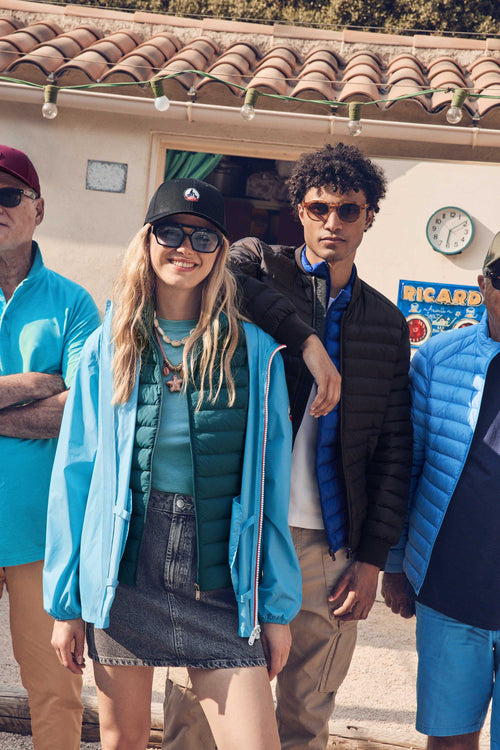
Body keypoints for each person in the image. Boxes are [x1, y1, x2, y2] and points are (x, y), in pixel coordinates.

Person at [162, 143, 413, 750]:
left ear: (369, 217)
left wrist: (372, 558)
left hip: (330, 546)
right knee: (196, 712)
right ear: (299, 211)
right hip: (239, 527)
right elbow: (227, 275)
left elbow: (393, 448)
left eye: (348, 210)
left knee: (305, 716)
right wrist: (307, 341)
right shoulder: (256, 265)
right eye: (319, 208)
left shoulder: (385, 322)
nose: (333, 222)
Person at [43, 177, 302, 750]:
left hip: (220, 581)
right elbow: (75, 474)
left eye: (204, 238)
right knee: (123, 742)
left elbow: (271, 489)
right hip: (125, 573)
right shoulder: (109, 346)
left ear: (220, 253)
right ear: (147, 241)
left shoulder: (255, 352)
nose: (185, 248)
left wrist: (276, 610)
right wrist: (67, 605)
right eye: (171, 233)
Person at [382, 231, 500, 750]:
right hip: (450, 594)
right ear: (483, 286)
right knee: (449, 741)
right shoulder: (437, 358)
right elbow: (408, 467)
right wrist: (394, 564)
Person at [0, 145, 100, 750]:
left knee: (55, 691)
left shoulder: (73, 303)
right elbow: (59, 397)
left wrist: (60, 396)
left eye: (8, 195)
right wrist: (39, 382)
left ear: (38, 209)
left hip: (42, 535)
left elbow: (81, 413)